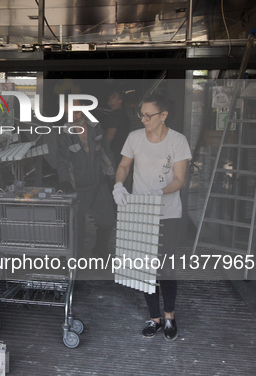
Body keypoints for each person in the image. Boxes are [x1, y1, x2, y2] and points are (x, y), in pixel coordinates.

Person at [112, 92, 192, 341]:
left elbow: (179, 179)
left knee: (166, 267)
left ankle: (170, 317)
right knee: (144, 268)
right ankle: (154, 318)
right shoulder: (134, 137)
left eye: (148, 115)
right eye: (141, 115)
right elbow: (124, 165)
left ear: (163, 115)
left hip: (168, 212)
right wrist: (118, 185)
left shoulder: (178, 141)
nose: (143, 119)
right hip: (140, 212)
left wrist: (162, 191)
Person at [57, 100, 116, 260]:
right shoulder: (64, 133)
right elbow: (63, 161)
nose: (73, 116)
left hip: (99, 183)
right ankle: (75, 258)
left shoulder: (95, 127)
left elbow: (106, 152)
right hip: (79, 187)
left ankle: (100, 248)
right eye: (69, 113)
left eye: (76, 112)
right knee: (76, 226)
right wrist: (64, 182)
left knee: (107, 222)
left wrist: (113, 177)